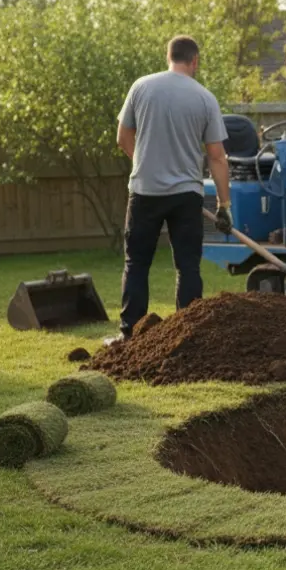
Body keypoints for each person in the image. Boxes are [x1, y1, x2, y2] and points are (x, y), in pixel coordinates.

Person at [111, 35, 233, 343]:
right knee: (188, 267)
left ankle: (131, 336)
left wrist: (144, 163)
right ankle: (188, 336)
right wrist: (223, 206)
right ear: (194, 61)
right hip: (185, 196)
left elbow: (123, 138)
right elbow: (217, 157)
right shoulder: (204, 97)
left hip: (145, 192)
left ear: (169, 57)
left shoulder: (142, 87)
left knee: (136, 264)